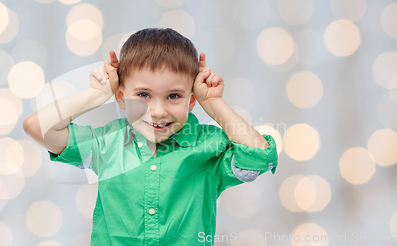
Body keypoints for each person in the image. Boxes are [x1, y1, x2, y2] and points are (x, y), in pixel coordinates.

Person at [23, 27, 278, 246]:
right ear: (121, 97)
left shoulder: (208, 146)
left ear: (191, 101)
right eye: (143, 95)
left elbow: (259, 156)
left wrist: (214, 103)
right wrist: (96, 95)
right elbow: (37, 127)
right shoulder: (108, 143)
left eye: (174, 96)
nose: (157, 111)